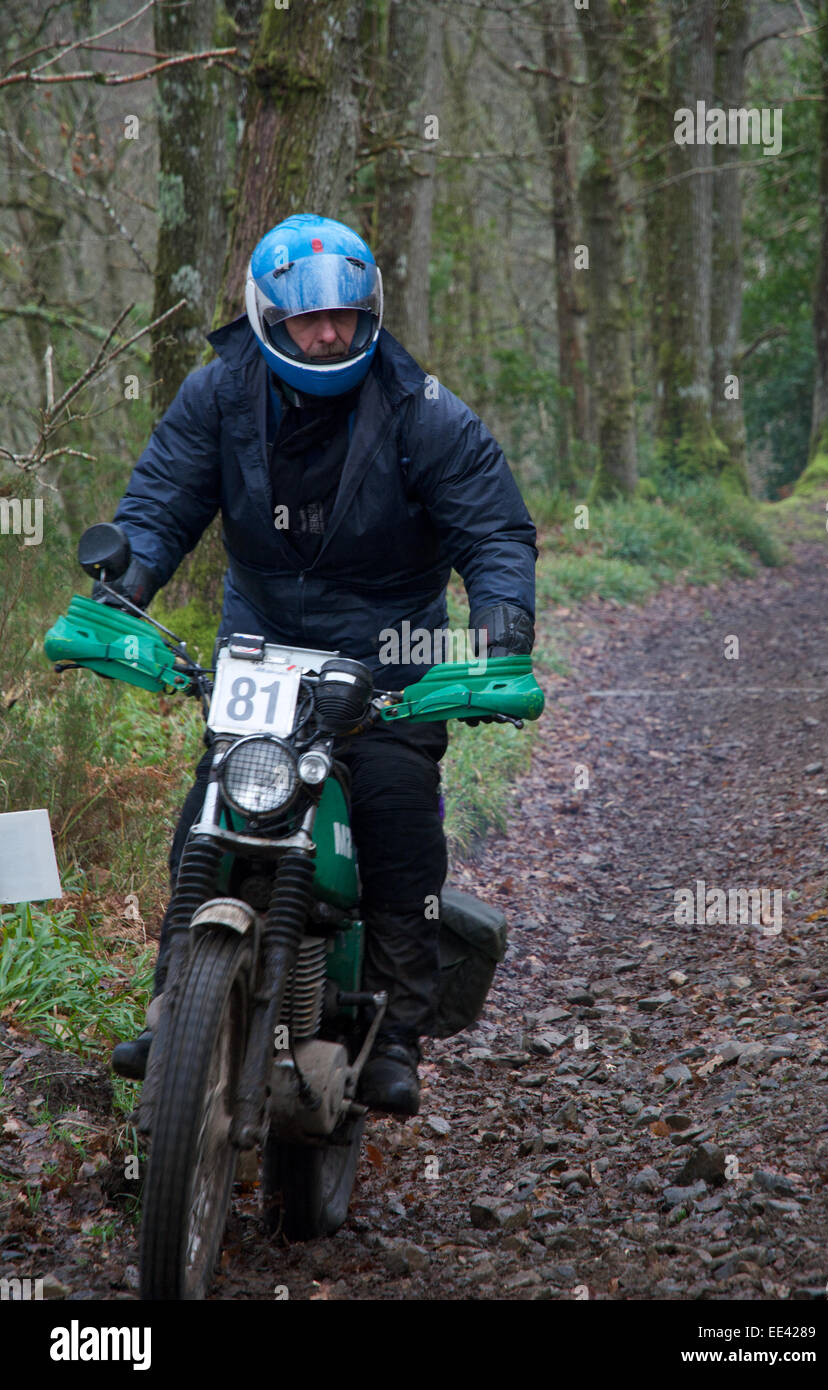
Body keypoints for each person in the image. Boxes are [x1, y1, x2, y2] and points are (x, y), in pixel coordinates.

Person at [106, 213, 536, 1114]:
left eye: (342, 313)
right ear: (271, 318)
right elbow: (160, 505)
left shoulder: (424, 409)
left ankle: (396, 1031)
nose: (328, 331)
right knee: (210, 815)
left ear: (369, 308)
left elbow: (492, 529)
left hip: (391, 656)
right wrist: (121, 593)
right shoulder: (219, 394)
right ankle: (176, 1003)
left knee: (396, 815)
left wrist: (500, 631)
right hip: (261, 643)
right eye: (308, 318)